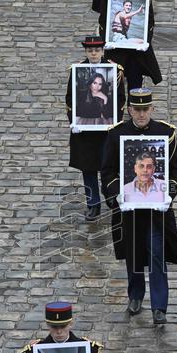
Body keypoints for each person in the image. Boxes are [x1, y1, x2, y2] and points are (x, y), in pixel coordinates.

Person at [101, 88, 177, 325]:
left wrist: (168, 196)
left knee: (156, 255)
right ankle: (135, 295)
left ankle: (159, 306)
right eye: (137, 109)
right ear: (129, 109)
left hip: (156, 212)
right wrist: (117, 194)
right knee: (133, 254)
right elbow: (108, 170)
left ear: (152, 109)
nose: (141, 114)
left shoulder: (166, 133)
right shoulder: (116, 134)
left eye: (145, 109)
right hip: (129, 211)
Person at [66, 35, 126, 222]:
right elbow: (70, 99)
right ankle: (93, 204)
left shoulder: (115, 70)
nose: (93, 53)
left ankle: (109, 196)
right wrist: (73, 122)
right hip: (84, 130)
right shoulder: (77, 71)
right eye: (90, 50)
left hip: (106, 129)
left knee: (108, 165)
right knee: (88, 167)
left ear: (102, 51)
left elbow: (121, 100)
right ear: (86, 51)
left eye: (97, 50)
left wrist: (115, 123)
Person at [97, 0, 162, 91]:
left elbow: (149, 21)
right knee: (114, 84)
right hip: (116, 48)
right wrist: (105, 40)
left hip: (135, 52)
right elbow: (103, 20)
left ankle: (134, 110)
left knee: (135, 83)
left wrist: (145, 41)